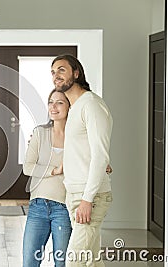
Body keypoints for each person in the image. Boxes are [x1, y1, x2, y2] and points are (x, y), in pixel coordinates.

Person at [22, 89, 112, 267]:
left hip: (64, 207)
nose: (53, 107)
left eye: (59, 102)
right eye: (50, 102)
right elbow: (28, 167)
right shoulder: (40, 133)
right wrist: (55, 170)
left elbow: (96, 157)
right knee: (29, 262)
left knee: (63, 262)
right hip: (38, 206)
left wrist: (103, 165)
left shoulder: (79, 137)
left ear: (70, 107)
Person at [51, 54, 113, 266]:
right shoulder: (75, 106)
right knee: (91, 261)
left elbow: (100, 154)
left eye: (61, 70)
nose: (55, 76)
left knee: (74, 261)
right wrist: (63, 165)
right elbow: (83, 148)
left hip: (90, 197)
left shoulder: (91, 104)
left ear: (76, 73)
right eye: (53, 72)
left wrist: (88, 199)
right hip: (75, 192)